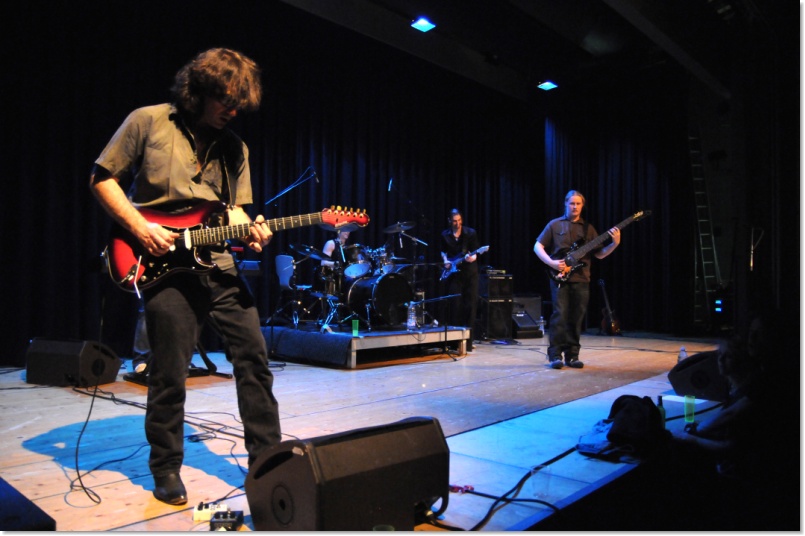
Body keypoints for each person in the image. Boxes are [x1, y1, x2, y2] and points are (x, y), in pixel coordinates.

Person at [90, 48, 281, 506]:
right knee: (170, 371)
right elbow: (102, 178)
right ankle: (166, 466)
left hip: (218, 263)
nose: (233, 112)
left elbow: (234, 211)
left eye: (239, 105)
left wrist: (251, 232)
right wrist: (140, 227)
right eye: (226, 101)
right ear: (199, 91)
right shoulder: (148, 121)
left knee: (254, 359)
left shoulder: (236, 148)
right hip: (163, 264)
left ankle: (268, 461)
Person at [533, 190, 620, 369]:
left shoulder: (588, 229)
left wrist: (614, 243)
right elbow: (537, 246)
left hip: (581, 278)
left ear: (582, 206)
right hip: (559, 277)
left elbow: (600, 254)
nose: (575, 207)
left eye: (578, 204)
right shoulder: (555, 224)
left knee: (576, 317)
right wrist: (551, 262)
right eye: (572, 203)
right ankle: (555, 355)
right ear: (566, 204)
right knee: (559, 315)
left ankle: (572, 356)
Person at [440, 209, 480, 350]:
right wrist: (445, 260)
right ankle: (454, 341)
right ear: (449, 221)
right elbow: (443, 251)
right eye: (454, 221)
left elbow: (476, 253)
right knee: (454, 305)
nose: (457, 224)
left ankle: (469, 341)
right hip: (454, 274)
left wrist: (471, 258)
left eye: (459, 221)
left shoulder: (470, 233)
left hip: (470, 274)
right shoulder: (445, 235)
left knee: (470, 306)